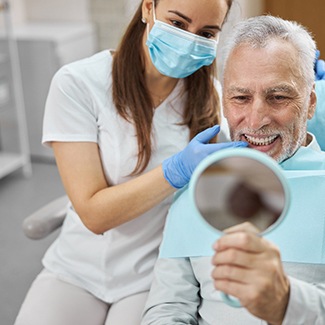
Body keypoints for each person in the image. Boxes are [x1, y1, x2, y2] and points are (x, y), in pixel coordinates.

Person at [14, 1, 251, 325]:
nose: (190, 40)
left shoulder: (212, 99)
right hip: (76, 269)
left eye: (206, 33)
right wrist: (175, 171)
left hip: (152, 276)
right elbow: (94, 214)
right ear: (147, 8)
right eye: (178, 24)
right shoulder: (79, 84)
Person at [141, 15, 325, 324]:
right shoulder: (196, 190)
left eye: (278, 97)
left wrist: (287, 303)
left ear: (309, 104)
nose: (255, 121)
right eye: (240, 97)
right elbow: (168, 307)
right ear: (224, 101)